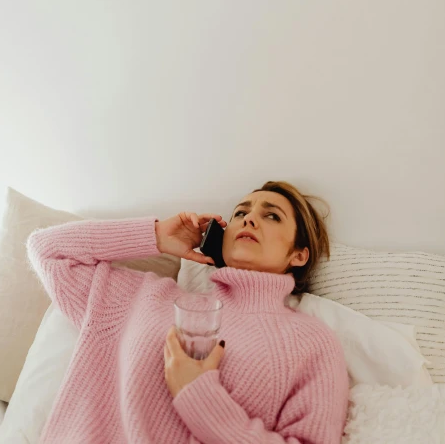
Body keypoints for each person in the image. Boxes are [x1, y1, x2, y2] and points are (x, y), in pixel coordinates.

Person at [26, 181, 349, 443]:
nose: (248, 219)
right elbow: (48, 251)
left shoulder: (311, 341)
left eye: (272, 216)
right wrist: (156, 237)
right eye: (240, 212)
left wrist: (199, 394)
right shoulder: (143, 298)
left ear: (299, 254)